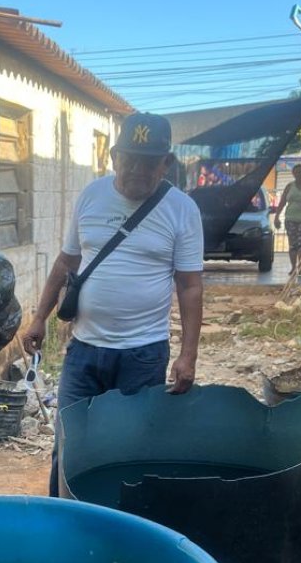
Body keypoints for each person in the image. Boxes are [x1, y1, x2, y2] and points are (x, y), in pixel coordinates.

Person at [22, 112, 204, 495]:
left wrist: (188, 355)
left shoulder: (182, 209)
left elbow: (189, 286)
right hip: (84, 352)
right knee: (69, 447)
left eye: (149, 161)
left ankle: (120, 535)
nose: (137, 170)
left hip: (142, 356)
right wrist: (39, 317)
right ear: (113, 157)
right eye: (130, 159)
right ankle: (63, 522)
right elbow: (66, 262)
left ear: (165, 164)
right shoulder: (91, 196)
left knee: (129, 451)